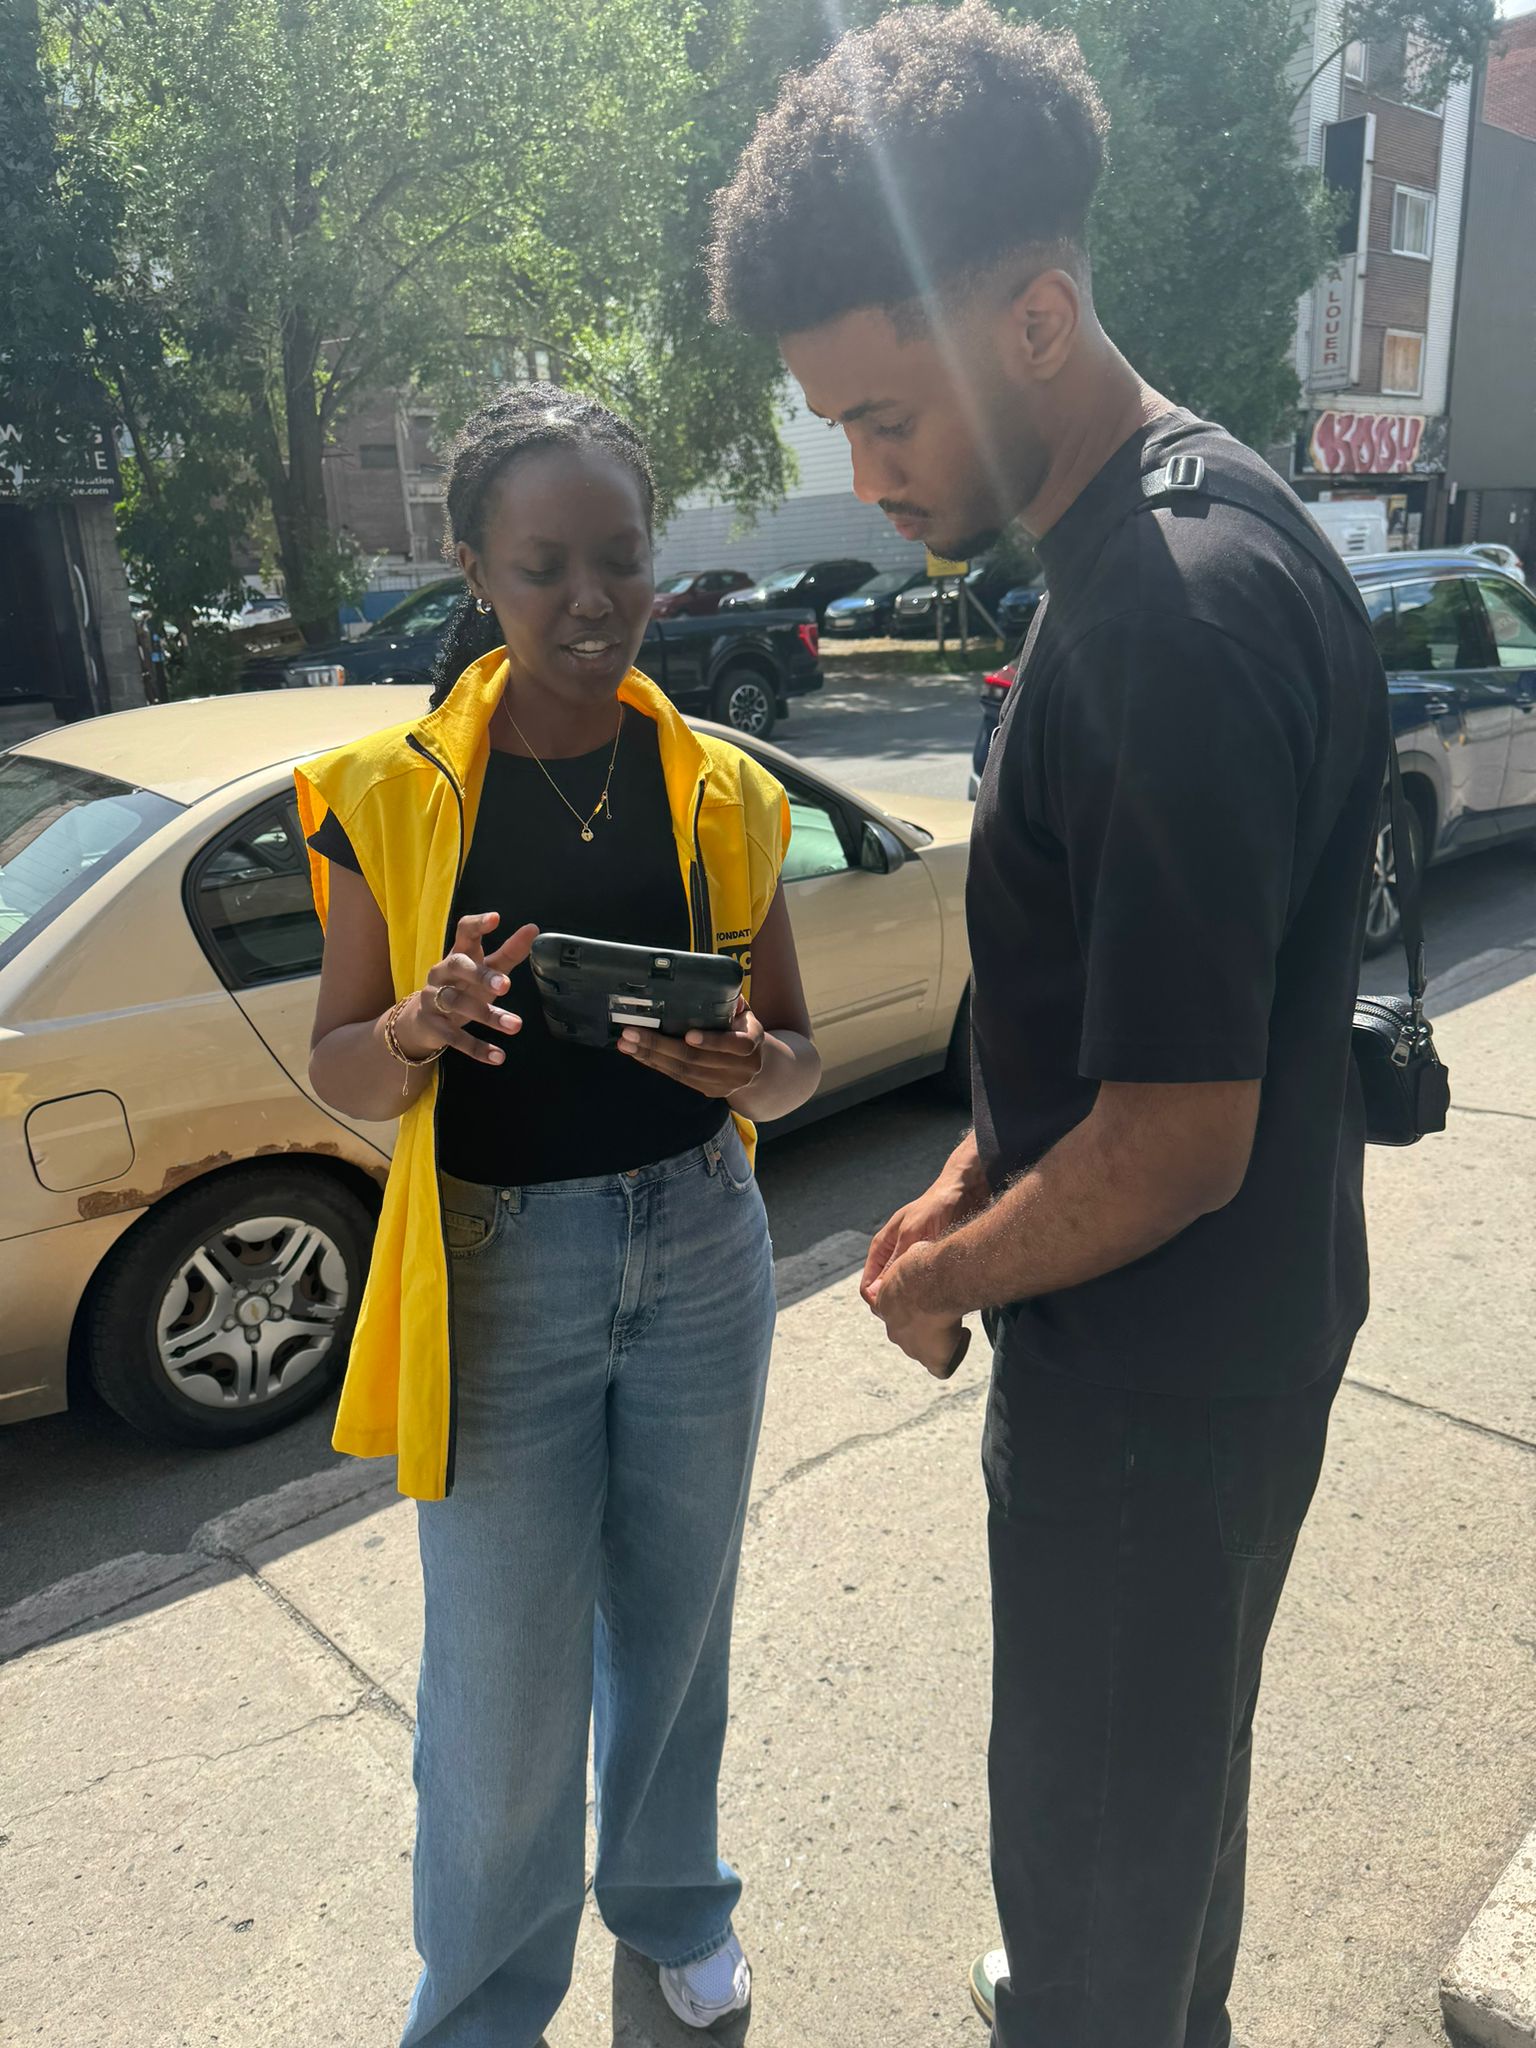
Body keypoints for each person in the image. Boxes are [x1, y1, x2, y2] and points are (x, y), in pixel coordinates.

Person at [708, 9, 1388, 2046]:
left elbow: (1179, 1135)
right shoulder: (1163, 537)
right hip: (1202, 1362)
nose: (864, 467)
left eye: (886, 411)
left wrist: (947, 1282)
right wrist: (962, 1186)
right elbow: (1093, 1032)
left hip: (1154, 1391)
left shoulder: (1167, 615)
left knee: (1096, 1894)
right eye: (835, 420)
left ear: (1035, 315)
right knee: (1155, 1847)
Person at [298, 385, 821, 2047]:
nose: (591, 600)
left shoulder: (726, 792)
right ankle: (479, 2009)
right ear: (473, 570)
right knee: (504, 1688)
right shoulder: (385, 792)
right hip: (498, 1271)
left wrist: (745, 1066)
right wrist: (412, 1030)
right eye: (544, 568)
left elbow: (797, 1059)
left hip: (699, 1251)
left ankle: (675, 1918)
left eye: (621, 561)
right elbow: (339, 1072)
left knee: (677, 1633)